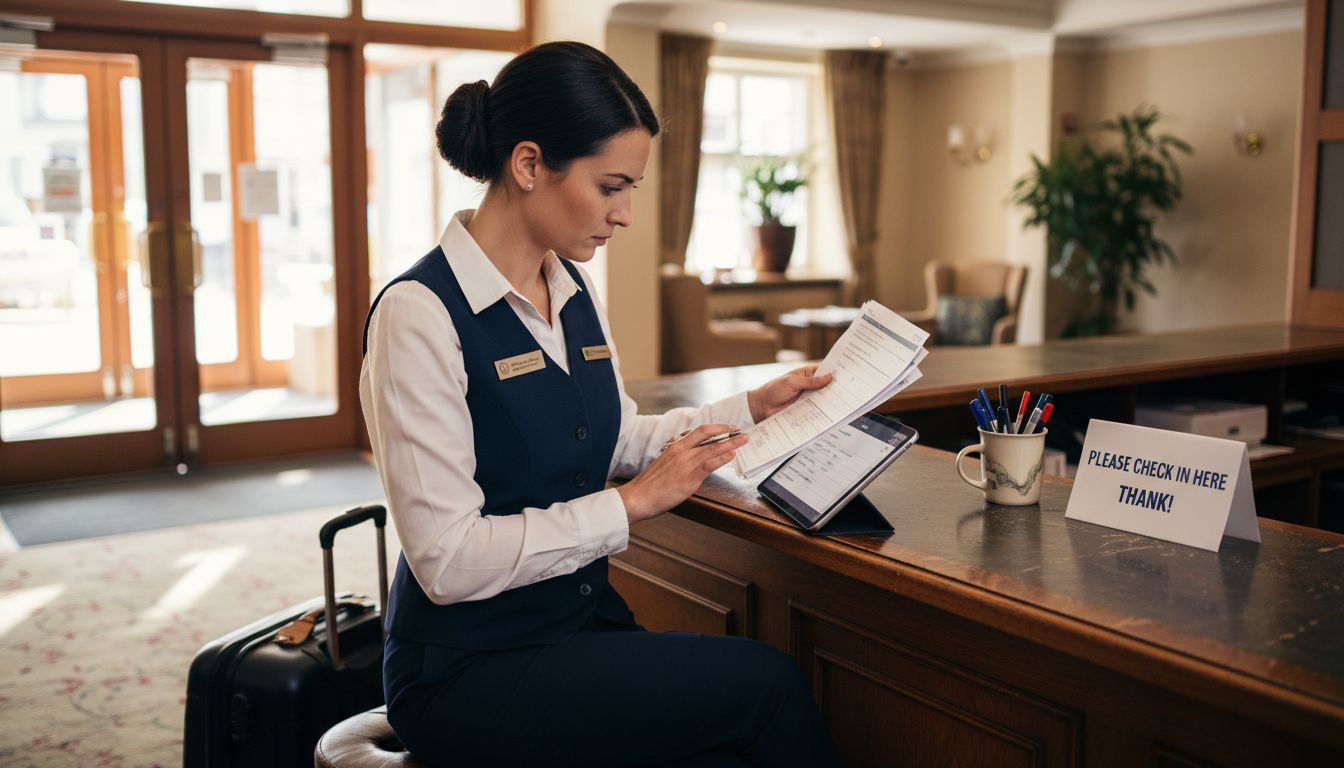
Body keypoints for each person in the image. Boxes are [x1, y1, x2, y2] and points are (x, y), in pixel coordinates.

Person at [360, 41, 840, 767]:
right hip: (466, 669)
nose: (624, 216)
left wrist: (753, 408)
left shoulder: (574, 289)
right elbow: (447, 561)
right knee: (765, 685)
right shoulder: (419, 313)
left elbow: (612, 438)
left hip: (574, 627)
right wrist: (631, 505)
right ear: (528, 165)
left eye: (631, 191)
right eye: (611, 186)